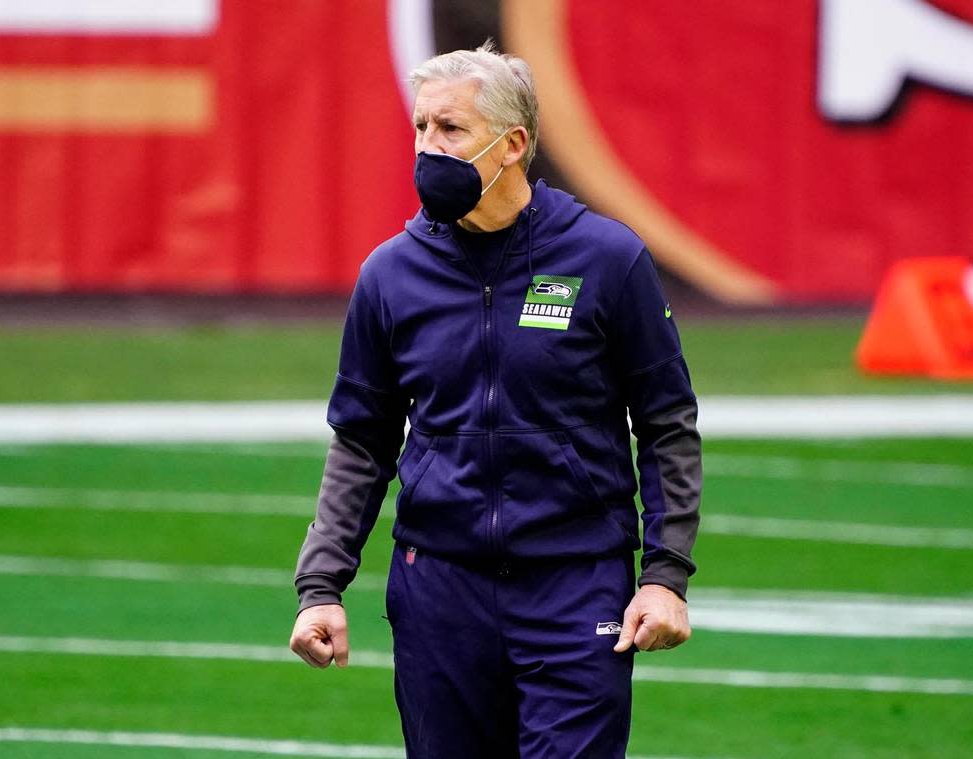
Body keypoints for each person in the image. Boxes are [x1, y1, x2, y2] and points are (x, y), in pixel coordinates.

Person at [290, 40, 701, 758]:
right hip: (438, 593)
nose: (427, 147)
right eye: (420, 127)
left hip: (577, 585)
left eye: (450, 130)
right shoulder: (389, 276)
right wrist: (321, 584)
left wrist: (665, 576)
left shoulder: (607, 259)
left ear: (512, 144)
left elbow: (666, 424)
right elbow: (361, 439)